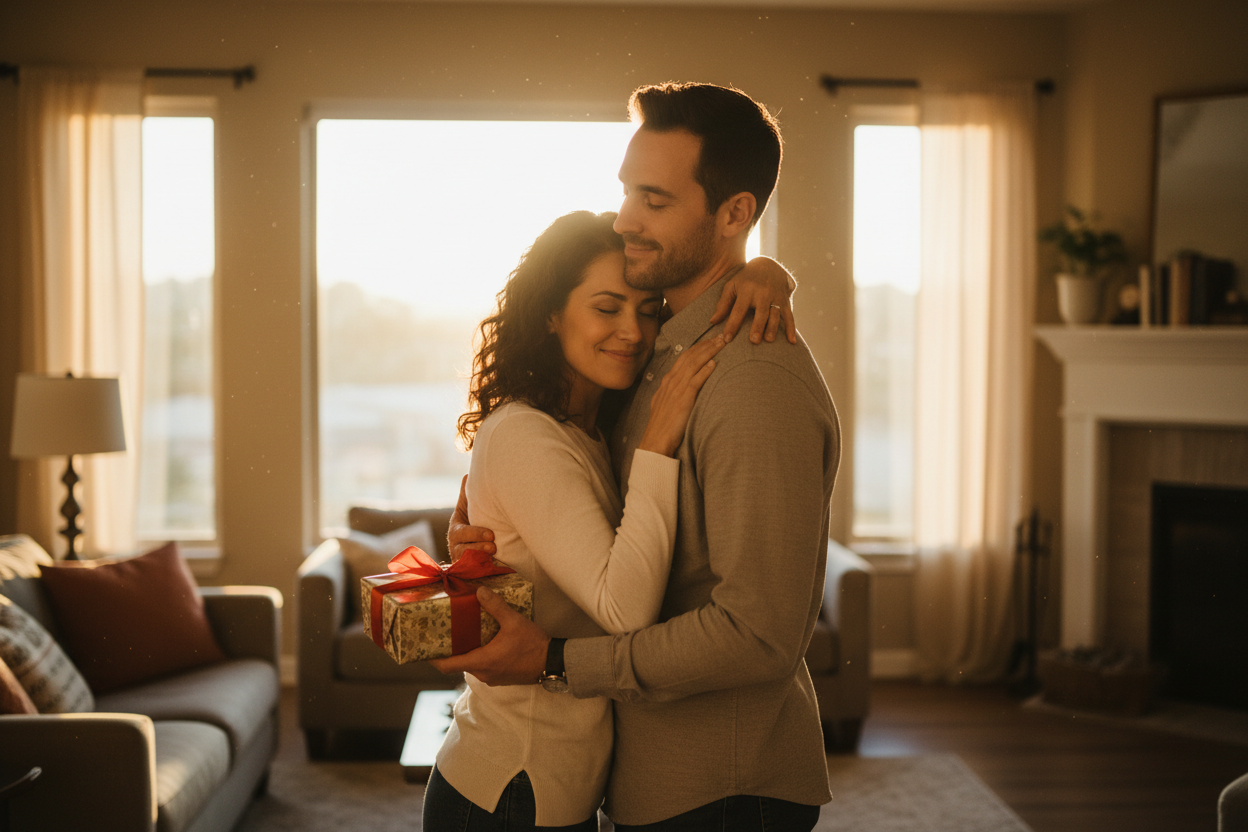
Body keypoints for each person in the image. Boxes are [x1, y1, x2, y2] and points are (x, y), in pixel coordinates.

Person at [436, 82, 841, 832]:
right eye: (627, 193)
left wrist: (556, 659)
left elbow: (758, 634)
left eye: (655, 200)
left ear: (734, 214)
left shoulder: (752, 382)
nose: (627, 219)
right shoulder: (661, 353)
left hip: (722, 788)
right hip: (650, 775)